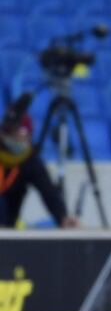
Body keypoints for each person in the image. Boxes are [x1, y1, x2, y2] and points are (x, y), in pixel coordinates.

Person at [0, 93, 78, 229]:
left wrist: (62, 217)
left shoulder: (29, 161)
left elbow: (48, 191)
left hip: (7, 228)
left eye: (24, 134)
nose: (20, 138)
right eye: (15, 132)